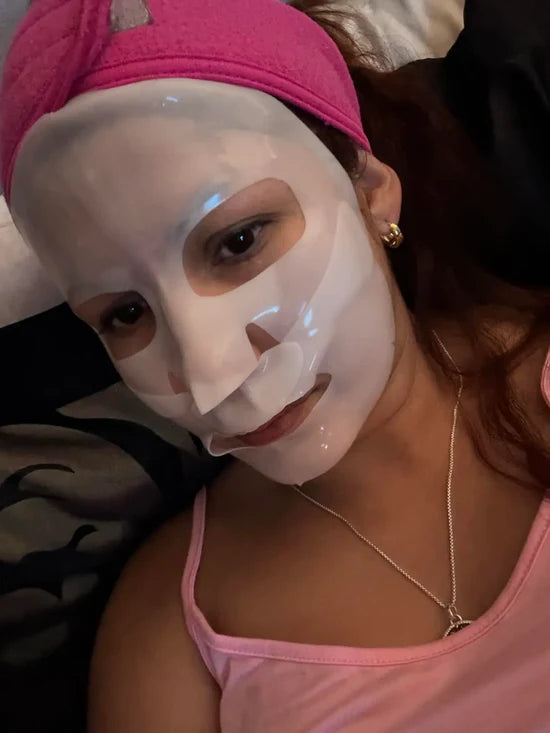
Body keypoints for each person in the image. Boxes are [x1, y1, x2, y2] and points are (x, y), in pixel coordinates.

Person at [1, 0, 549, 730]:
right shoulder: (167, 634)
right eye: (125, 314)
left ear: (368, 189)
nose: (211, 376)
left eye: (238, 242)